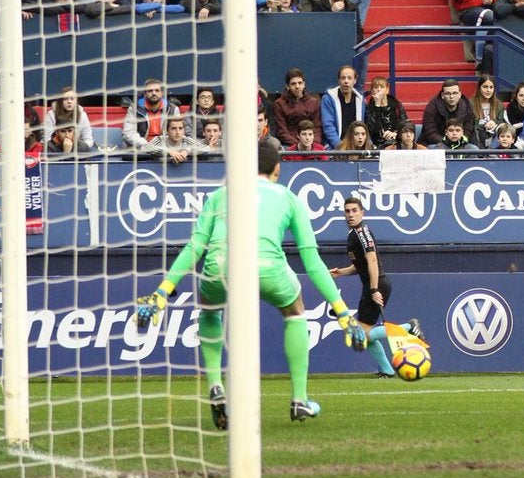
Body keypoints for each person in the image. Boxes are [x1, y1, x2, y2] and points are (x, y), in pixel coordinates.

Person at [135, 141, 368, 428]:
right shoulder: (289, 197)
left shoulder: (220, 194)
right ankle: (299, 398)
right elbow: (312, 261)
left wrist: (162, 291)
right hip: (267, 267)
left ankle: (215, 385)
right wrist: (343, 313)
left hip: (220, 265)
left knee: (209, 310)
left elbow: (195, 246)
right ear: (278, 169)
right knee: (295, 310)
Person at [328, 196, 425, 378]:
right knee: (365, 334)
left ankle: (408, 327)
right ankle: (387, 370)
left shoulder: (361, 232)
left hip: (377, 285)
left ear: (362, 213)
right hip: (371, 285)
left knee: (364, 334)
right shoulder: (353, 234)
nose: (351, 214)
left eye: (354, 210)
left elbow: (372, 260)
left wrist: (373, 290)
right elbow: (361, 266)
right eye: (347, 211)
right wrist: (341, 272)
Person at [122, 78, 181, 151]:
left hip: (166, 148)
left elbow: (178, 132)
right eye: (150, 91)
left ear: (161, 93)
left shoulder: (173, 109)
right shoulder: (134, 109)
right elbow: (128, 133)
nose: (154, 93)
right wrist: (148, 145)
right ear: (145, 94)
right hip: (141, 148)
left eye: (157, 90)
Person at [273, 69, 324, 147]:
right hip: (290, 145)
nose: (297, 86)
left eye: (300, 83)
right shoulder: (279, 104)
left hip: (312, 144)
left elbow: (317, 128)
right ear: (287, 86)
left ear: (304, 84)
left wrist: (313, 144)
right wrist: (298, 145)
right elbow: (282, 131)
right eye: (293, 84)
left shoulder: (314, 102)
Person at [321, 65, 366, 147]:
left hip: (356, 145)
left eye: (349, 78)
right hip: (334, 146)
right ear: (339, 80)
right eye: (343, 78)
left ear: (355, 80)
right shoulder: (328, 99)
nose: (346, 81)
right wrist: (341, 147)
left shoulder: (360, 99)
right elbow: (328, 127)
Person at [420, 78, 474, 146]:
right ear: (442, 95)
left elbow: (469, 128)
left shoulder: (466, 106)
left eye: (455, 93)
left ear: (460, 94)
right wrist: (447, 142)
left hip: (460, 143)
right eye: (448, 93)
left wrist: (461, 140)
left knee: (474, 149)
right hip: (437, 143)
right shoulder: (431, 108)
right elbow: (430, 133)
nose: (451, 96)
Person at [42, 86, 95, 150]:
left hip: (77, 149)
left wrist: (74, 149)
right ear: (60, 101)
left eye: (72, 99)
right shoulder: (51, 115)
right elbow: (47, 139)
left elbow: (89, 140)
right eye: (65, 99)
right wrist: (64, 150)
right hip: (56, 149)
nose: (69, 102)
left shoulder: (82, 115)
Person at [143, 115, 213, 163]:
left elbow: (206, 148)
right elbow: (144, 147)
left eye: (180, 128)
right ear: (167, 130)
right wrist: (169, 152)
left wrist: (187, 151)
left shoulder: (186, 140)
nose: (177, 132)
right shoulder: (160, 139)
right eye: (173, 128)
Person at [467, 74, 504, 148]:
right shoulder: (470, 104)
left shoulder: (498, 104)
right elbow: (469, 125)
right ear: (479, 88)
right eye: (485, 87)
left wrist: (494, 122)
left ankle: (491, 153)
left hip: (493, 136)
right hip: (477, 136)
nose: (488, 90)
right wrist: (483, 126)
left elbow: (501, 121)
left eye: (491, 87)